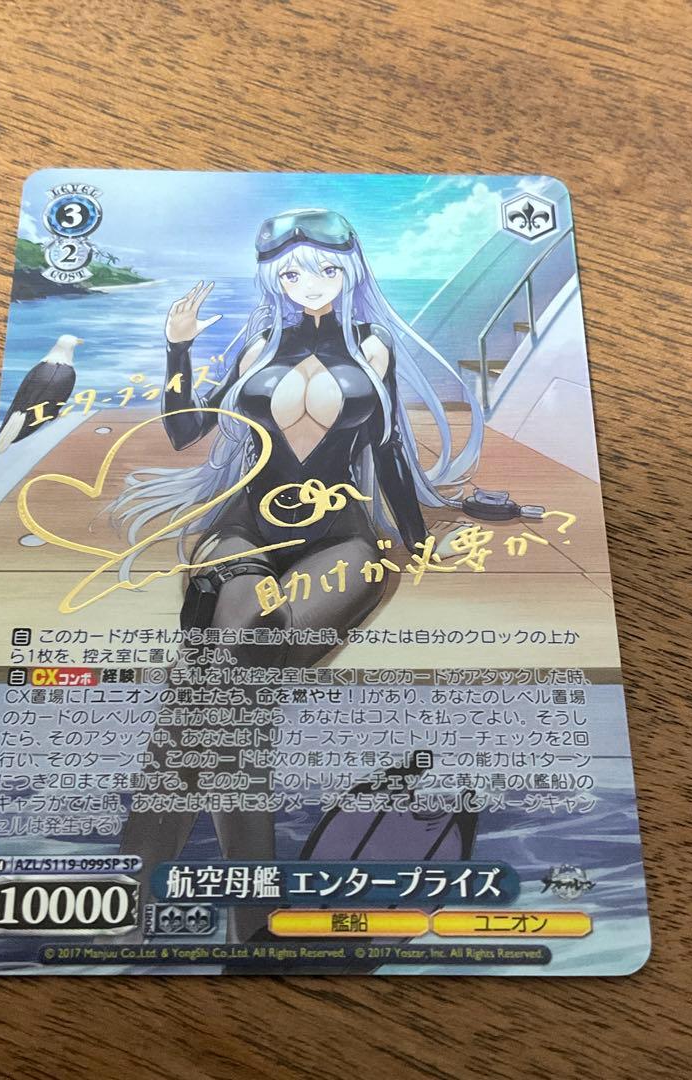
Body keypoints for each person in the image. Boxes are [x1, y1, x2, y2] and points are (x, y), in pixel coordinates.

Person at [112, 209, 484, 941]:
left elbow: (388, 454)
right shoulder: (257, 344)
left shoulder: (372, 346)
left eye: (323, 269)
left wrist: (416, 539)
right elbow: (185, 430)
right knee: (238, 683)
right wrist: (176, 348)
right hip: (241, 529)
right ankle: (251, 920)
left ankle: (135, 892)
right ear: (272, 279)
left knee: (215, 692)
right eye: (289, 272)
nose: (307, 283)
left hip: (340, 536)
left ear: (350, 272)